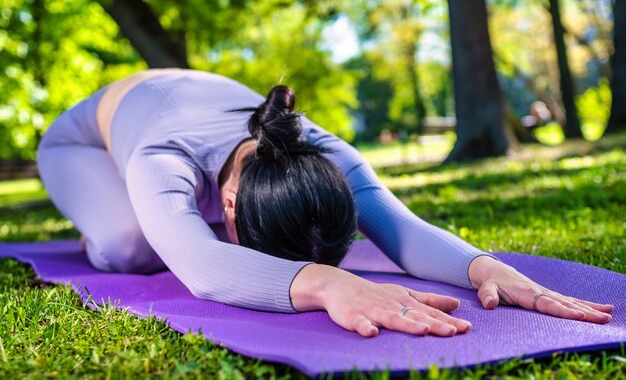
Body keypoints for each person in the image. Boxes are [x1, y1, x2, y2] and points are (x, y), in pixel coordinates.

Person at [37, 69, 613, 338]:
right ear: (230, 203)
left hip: (185, 107)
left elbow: (401, 229)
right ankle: (109, 218)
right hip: (82, 144)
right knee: (133, 245)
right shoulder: (161, 159)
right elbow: (203, 268)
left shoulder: (319, 146)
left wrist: (484, 266)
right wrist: (329, 284)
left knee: (167, 232)